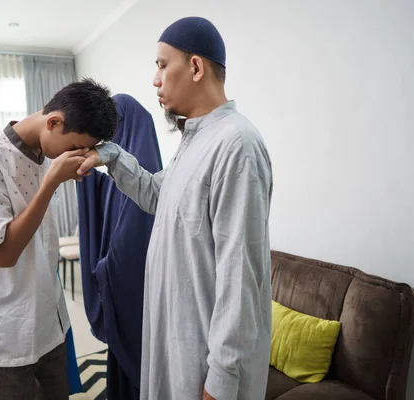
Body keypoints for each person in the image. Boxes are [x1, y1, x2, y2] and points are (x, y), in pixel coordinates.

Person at [78, 17, 273, 400]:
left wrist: (222, 379)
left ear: (196, 67)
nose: (155, 79)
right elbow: (155, 193)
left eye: (163, 65)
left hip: (204, 363)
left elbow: (241, 275)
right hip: (176, 341)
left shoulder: (237, 144)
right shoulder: (195, 141)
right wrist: (111, 155)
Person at [0, 78, 118, 400]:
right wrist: (51, 182)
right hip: (4, 327)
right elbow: (3, 255)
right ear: (54, 122)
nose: (76, 156)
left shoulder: (46, 154)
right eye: (74, 147)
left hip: (49, 317)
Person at [77, 93, 162, 399]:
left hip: (134, 288)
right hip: (123, 283)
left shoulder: (145, 171)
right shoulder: (124, 167)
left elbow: (131, 237)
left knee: (136, 359)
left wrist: (105, 269)